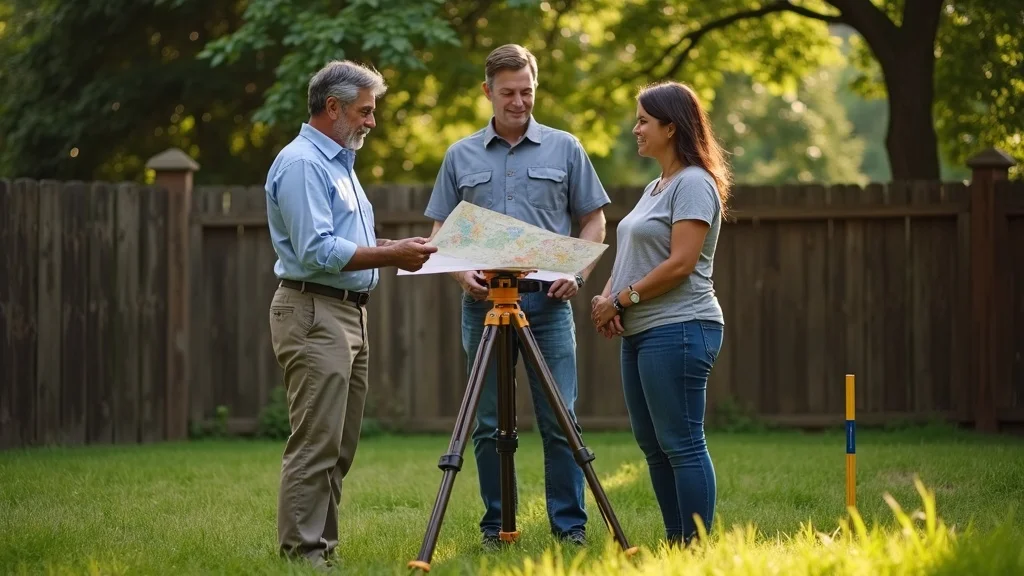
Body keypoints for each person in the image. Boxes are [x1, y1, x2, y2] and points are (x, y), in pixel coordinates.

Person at [423, 43, 610, 548]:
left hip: (548, 304)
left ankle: (569, 530)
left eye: (527, 91)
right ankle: (495, 529)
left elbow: (593, 219)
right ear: (487, 92)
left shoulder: (566, 147)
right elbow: (441, 228)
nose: (519, 101)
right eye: (508, 92)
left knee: (560, 420)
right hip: (482, 305)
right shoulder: (459, 155)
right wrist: (462, 275)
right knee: (486, 423)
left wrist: (579, 268)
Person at [265, 59, 437, 568]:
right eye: (365, 111)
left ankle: (323, 548)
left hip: (347, 313)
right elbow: (317, 251)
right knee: (316, 441)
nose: (371, 121)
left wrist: (384, 245)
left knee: (339, 445)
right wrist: (392, 255)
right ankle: (302, 555)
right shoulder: (303, 164)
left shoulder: (338, 165)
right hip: (314, 310)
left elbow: (342, 242)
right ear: (333, 107)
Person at [589, 81, 731, 548]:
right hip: (643, 331)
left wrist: (622, 300)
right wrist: (606, 297)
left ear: (671, 127)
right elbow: (634, 250)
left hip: (682, 327)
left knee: (683, 443)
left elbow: (680, 264)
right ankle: (676, 542)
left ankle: (694, 547)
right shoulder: (657, 186)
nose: (636, 129)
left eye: (644, 121)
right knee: (653, 446)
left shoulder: (694, 182)